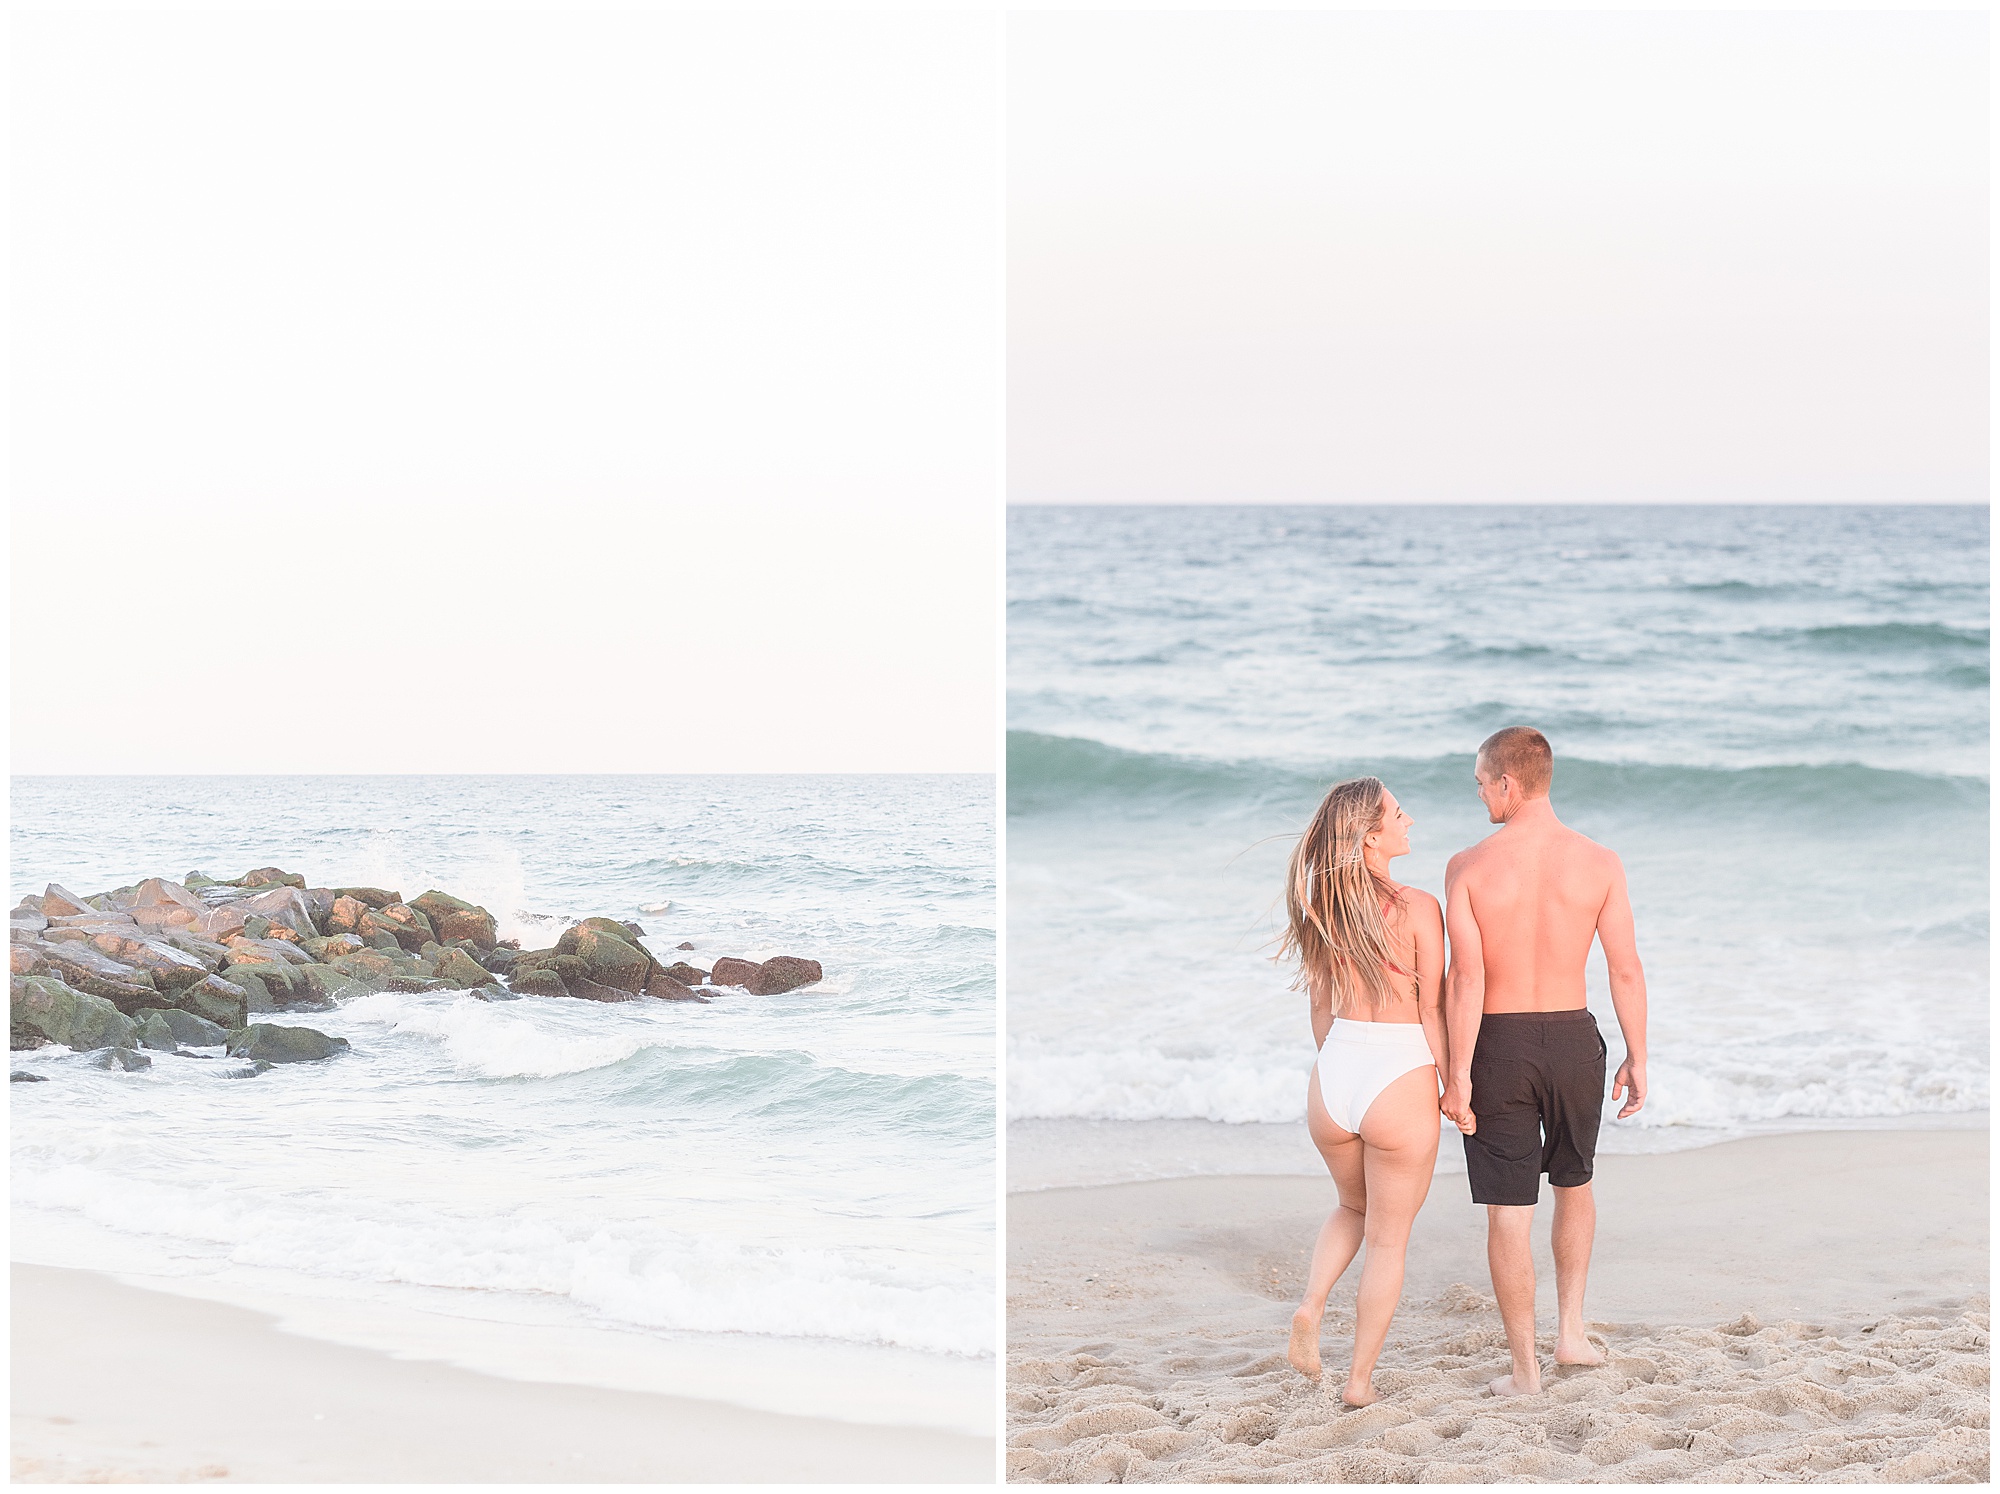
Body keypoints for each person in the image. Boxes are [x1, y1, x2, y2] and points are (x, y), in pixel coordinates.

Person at [1440, 726, 1649, 1398]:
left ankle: (1525, 1371)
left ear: (1509, 782)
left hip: (1498, 1044)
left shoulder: (1468, 866)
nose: (1479, 795)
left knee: (1508, 1209)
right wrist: (1639, 1054)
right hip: (1572, 1040)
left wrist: (1458, 1074)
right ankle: (1572, 1334)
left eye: (1481, 782)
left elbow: (1466, 981)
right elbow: (1624, 968)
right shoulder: (1600, 862)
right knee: (1575, 1183)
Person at [1281, 776, 1448, 1406]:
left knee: (1352, 1207)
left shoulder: (1325, 907)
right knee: (1388, 1238)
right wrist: (1455, 1085)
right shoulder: (1419, 906)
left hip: (1335, 1075)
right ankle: (1357, 1383)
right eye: (1400, 815)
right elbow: (1432, 1008)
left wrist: (1337, 1069)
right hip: (1399, 1072)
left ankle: (1310, 1304)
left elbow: (1320, 1012)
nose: (1411, 822)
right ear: (1373, 836)